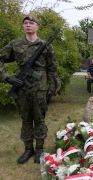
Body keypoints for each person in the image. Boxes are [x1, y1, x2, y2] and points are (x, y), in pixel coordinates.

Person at [0, 15, 59, 164]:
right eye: (25, 23)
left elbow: (52, 68)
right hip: (22, 88)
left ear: (37, 26)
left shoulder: (45, 45)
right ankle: (28, 150)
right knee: (26, 120)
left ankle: (39, 150)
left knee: (39, 120)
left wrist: (53, 88)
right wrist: (6, 77)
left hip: (41, 88)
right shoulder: (15, 44)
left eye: (31, 23)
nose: (28, 25)